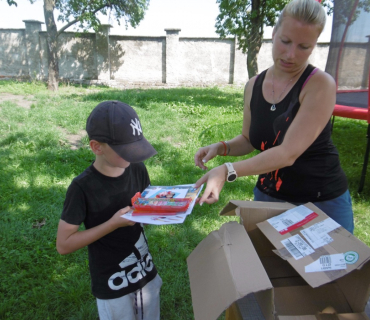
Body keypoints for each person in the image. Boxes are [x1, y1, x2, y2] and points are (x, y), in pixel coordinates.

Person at [194, 0, 354, 233]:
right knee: (268, 268)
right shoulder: (253, 85)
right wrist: (220, 148)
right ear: (274, 33)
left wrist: (227, 170)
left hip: (321, 201)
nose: (291, 54)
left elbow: (287, 153)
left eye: (304, 47)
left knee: (333, 270)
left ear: (314, 46)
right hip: (269, 197)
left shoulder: (320, 85)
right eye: (285, 41)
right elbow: (250, 140)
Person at [56, 100, 162, 320]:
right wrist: (112, 224)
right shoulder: (81, 188)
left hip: (145, 273)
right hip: (112, 283)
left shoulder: (136, 168)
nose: (134, 156)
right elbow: (64, 244)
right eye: (126, 150)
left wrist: (172, 206)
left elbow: (148, 208)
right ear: (97, 147)